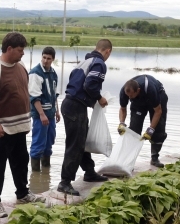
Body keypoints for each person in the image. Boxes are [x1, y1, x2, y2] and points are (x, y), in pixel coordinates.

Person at [0, 32, 46, 218]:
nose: (23, 53)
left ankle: (22, 193)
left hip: (20, 128)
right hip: (2, 130)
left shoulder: (20, 66)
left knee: (21, 162)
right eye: (20, 50)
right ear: (9, 49)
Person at [57, 39, 113, 196]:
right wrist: (99, 98)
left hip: (71, 103)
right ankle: (65, 182)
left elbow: (75, 80)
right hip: (75, 106)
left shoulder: (86, 60)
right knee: (75, 144)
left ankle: (89, 172)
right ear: (108, 51)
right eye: (109, 54)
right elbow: (90, 85)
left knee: (82, 141)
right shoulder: (99, 63)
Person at [118, 74, 168, 168]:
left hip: (158, 97)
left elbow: (158, 111)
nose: (130, 98)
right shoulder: (125, 92)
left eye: (131, 95)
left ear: (138, 90)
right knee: (134, 129)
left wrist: (150, 129)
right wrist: (121, 123)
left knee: (158, 129)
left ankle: (154, 158)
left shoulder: (150, 89)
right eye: (128, 96)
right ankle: (129, 161)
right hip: (139, 102)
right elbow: (123, 109)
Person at [28, 46, 60, 172]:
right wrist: (41, 114)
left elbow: (54, 94)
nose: (45, 61)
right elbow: (34, 97)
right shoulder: (35, 73)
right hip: (40, 115)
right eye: (44, 57)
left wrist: (57, 110)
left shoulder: (53, 73)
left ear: (53, 59)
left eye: (49, 58)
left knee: (49, 142)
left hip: (51, 113)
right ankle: (36, 175)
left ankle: (46, 169)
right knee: (38, 143)